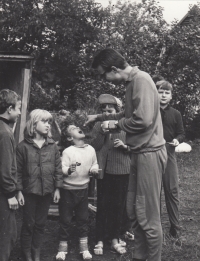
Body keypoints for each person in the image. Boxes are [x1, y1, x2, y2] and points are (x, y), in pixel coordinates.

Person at [85, 48, 167, 261]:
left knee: (148, 216)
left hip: (150, 153)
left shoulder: (141, 80)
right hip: (138, 154)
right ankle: (139, 257)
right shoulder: (132, 83)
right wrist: (99, 117)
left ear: (113, 69)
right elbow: (128, 115)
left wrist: (113, 123)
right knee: (135, 212)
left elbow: (142, 120)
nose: (104, 79)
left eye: (103, 74)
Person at [16, 109, 63, 261]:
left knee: (41, 224)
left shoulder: (52, 146)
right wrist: (18, 191)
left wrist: (57, 188)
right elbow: (16, 171)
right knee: (29, 224)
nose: (48, 125)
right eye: (44, 121)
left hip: (47, 191)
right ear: (33, 124)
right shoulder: (23, 146)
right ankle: (26, 254)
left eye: (49, 122)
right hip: (29, 192)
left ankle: (36, 252)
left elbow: (58, 168)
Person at [90, 94, 131, 255]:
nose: (107, 113)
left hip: (122, 170)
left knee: (118, 206)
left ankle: (114, 238)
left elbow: (136, 147)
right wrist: (102, 132)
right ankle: (100, 238)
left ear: (117, 111)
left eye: (110, 110)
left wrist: (124, 146)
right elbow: (94, 146)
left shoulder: (126, 124)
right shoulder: (99, 125)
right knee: (103, 205)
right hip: (104, 172)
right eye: (104, 110)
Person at [56, 124, 99, 261]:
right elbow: (62, 167)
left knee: (83, 219)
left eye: (77, 127)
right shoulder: (68, 151)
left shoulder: (91, 149)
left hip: (83, 190)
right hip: (68, 190)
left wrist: (94, 168)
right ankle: (62, 249)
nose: (77, 128)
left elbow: (95, 163)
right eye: (72, 128)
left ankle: (84, 248)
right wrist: (69, 170)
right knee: (65, 219)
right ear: (70, 137)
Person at [156, 80, 185, 238]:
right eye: (160, 92)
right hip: (152, 154)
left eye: (167, 93)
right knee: (154, 193)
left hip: (169, 154)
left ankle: (175, 228)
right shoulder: (150, 112)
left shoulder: (176, 114)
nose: (163, 95)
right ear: (156, 94)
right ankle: (156, 228)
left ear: (171, 96)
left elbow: (181, 133)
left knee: (172, 191)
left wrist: (177, 140)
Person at [0, 89, 21, 261]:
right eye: (18, 108)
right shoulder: (5, 133)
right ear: (9, 109)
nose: (20, 112)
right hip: (3, 194)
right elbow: (6, 167)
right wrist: (10, 194)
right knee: (7, 237)